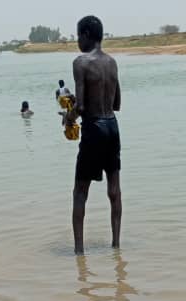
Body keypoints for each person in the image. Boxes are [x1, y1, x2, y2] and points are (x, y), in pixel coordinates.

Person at [70, 15, 122, 255]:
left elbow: (80, 107)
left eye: (78, 35)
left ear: (86, 36)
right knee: (114, 189)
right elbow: (117, 102)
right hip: (112, 125)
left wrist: (67, 117)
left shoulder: (81, 62)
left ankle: (79, 253)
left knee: (80, 191)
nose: (77, 40)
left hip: (93, 129)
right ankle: (116, 245)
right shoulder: (112, 63)